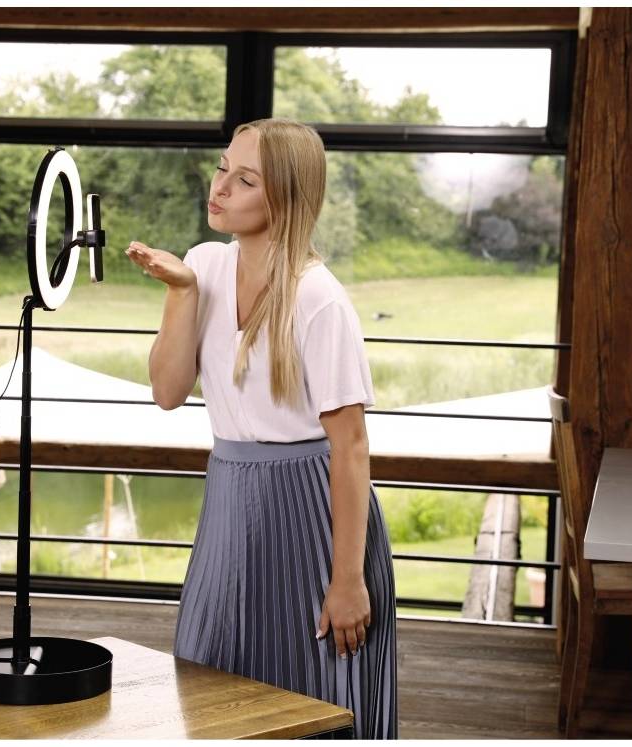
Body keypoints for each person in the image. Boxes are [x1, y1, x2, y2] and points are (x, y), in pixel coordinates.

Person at [125, 118, 397, 740]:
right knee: (207, 669)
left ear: (284, 199)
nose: (220, 187)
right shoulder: (204, 266)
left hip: (311, 511)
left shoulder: (318, 298)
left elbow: (350, 449)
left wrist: (348, 580)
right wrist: (181, 292)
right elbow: (168, 393)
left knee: (309, 691)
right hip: (230, 498)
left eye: (244, 180)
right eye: (223, 168)